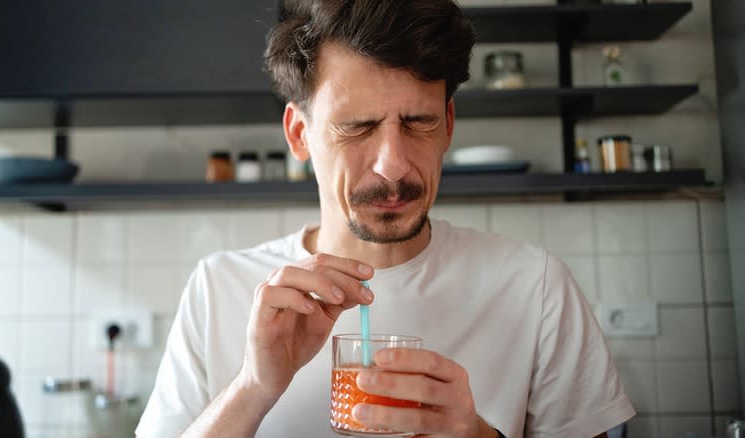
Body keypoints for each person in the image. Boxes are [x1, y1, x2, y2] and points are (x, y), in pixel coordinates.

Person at [136, 0, 635, 437]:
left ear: (449, 126)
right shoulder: (219, 288)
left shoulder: (536, 286)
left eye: (419, 123)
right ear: (299, 135)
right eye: (357, 128)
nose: (393, 164)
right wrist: (252, 387)